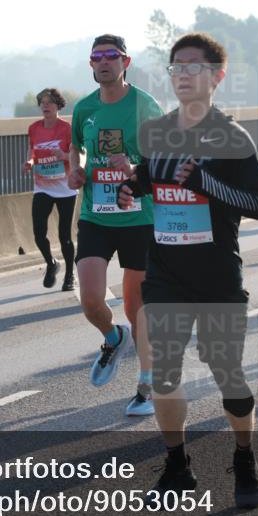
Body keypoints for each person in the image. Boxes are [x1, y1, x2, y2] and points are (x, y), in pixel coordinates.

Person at [117, 32, 258, 508]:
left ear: (216, 76)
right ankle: (178, 465)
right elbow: (150, 178)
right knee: (164, 370)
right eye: (176, 67)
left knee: (229, 375)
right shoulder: (158, 132)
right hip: (164, 272)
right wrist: (132, 188)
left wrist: (205, 181)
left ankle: (244, 458)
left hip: (217, 276)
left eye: (193, 66)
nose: (183, 74)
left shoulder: (231, 137)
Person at [68, 34, 163, 416]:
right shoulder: (84, 108)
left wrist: (135, 166)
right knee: (90, 299)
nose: (104, 62)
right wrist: (74, 169)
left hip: (138, 214)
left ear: (126, 62)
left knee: (136, 303)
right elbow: (74, 145)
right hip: (95, 214)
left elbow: (163, 157)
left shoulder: (145, 105)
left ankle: (146, 384)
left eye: (112, 56)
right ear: (91, 64)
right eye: (97, 57)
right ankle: (112, 337)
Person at [24, 88, 76, 291]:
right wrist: (28, 161)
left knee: (64, 235)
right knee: (38, 233)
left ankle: (70, 276)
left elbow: (75, 153)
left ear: (58, 106)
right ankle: (52, 263)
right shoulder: (34, 128)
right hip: (42, 186)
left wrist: (63, 156)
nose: (45, 106)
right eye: (42, 102)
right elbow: (32, 149)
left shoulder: (67, 129)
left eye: (50, 102)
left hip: (65, 188)